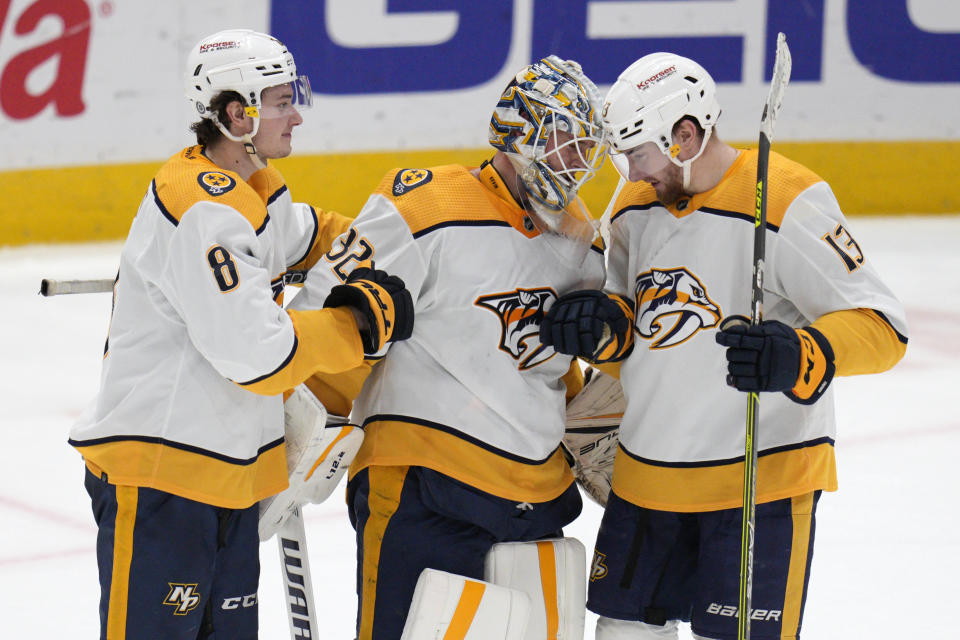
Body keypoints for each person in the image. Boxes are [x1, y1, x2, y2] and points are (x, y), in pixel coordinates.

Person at [539, 52, 908, 640]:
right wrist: (601, 327)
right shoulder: (635, 208)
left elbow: (883, 326)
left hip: (757, 487)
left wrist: (801, 352)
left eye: (636, 153)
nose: (630, 174)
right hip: (646, 479)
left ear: (683, 135)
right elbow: (638, 333)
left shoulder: (788, 198)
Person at [68, 29, 412, 639]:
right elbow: (258, 355)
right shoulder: (203, 206)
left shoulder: (245, 184)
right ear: (236, 113)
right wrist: (356, 325)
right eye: (281, 102)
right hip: (161, 482)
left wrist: (402, 237)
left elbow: (306, 235)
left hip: (221, 477)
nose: (296, 115)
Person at [289, 55, 607, 639]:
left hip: (537, 499)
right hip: (425, 490)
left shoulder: (582, 242)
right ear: (518, 134)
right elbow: (325, 312)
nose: (578, 162)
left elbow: (561, 369)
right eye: (564, 141)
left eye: (587, 148)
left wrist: (593, 399)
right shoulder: (428, 205)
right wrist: (297, 425)